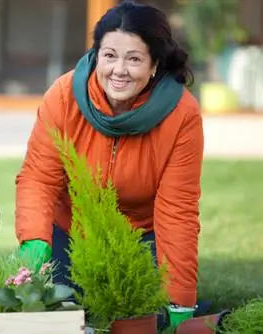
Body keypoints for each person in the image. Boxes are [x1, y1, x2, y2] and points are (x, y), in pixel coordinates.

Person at [15, 2, 204, 329]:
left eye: (134, 59)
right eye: (110, 55)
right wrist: (35, 240)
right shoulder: (63, 96)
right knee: (60, 312)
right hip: (71, 232)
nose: (119, 70)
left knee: (142, 315)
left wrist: (180, 299)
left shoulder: (181, 115)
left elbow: (178, 210)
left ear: (154, 65)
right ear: (96, 55)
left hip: (139, 237)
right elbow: (39, 179)